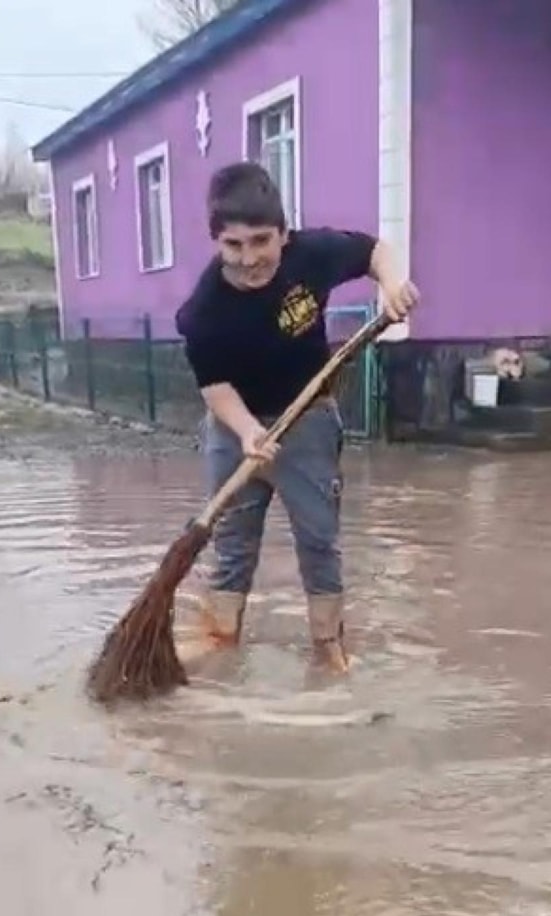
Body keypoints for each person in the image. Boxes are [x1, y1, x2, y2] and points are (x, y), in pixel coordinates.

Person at [175, 162, 418, 672]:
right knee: (232, 543)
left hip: (308, 417)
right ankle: (222, 643)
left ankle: (328, 651)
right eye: (233, 245)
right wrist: (248, 432)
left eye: (261, 241)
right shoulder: (203, 311)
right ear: (216, 241)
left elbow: (376, 251)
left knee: (318, 539)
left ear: (284, 234)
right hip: (234, 426)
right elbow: (214, 386)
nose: (248, 259)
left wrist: (393, 286)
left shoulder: (313, 254)